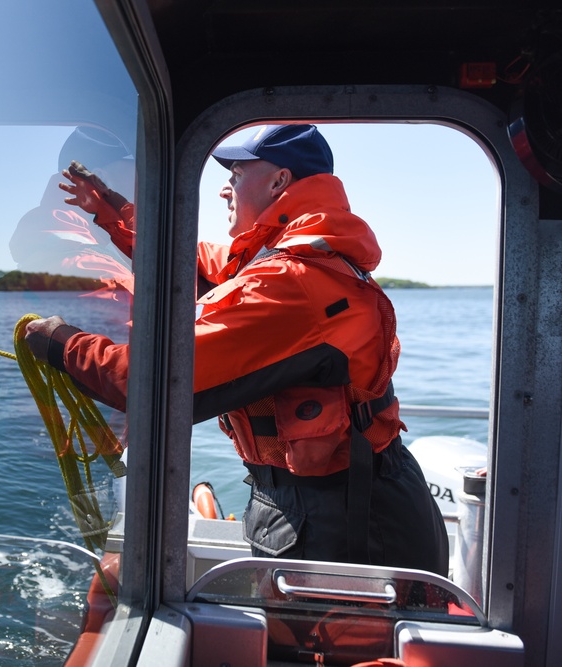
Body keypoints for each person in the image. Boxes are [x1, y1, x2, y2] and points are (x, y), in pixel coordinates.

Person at [25, 124, 449, 575]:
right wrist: (113, 210)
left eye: (236, 174)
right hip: (328, 503)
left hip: (348, 525)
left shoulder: (289, 283)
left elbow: (145, 382)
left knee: (334, 648)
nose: (225, 190)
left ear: (279, 181)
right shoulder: (285, 260)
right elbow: (191, 263)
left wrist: (55, 339)